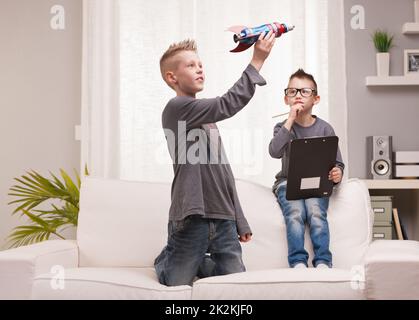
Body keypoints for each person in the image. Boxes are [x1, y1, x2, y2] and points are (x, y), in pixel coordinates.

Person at [155, 31, 276, 286]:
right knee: (177, 282)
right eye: (191, 65)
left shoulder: (207, 121)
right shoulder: (176, 109)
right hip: (192, 218)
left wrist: (239, 220)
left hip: (223, 218)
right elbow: (227, 104)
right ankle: (166, 260)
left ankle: (199, 260)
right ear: (172, 77)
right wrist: (257, 61)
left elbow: (224, 173)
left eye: (200, 65)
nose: (199, 69)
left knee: (235, 284)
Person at [269, 69, 345, 269]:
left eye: (304, 92)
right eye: (292, 92)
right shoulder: (282, 127)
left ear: (316, 98)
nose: (298, 96)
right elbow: (274, 151)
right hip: (287, 182)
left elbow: (337, 162)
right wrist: (290, 120)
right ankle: (297, 262)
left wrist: (337, 173)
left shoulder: (325, 128)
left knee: (315, 212)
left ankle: (323, 261)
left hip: (316, 183)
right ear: (286, 99)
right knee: (295, 212)